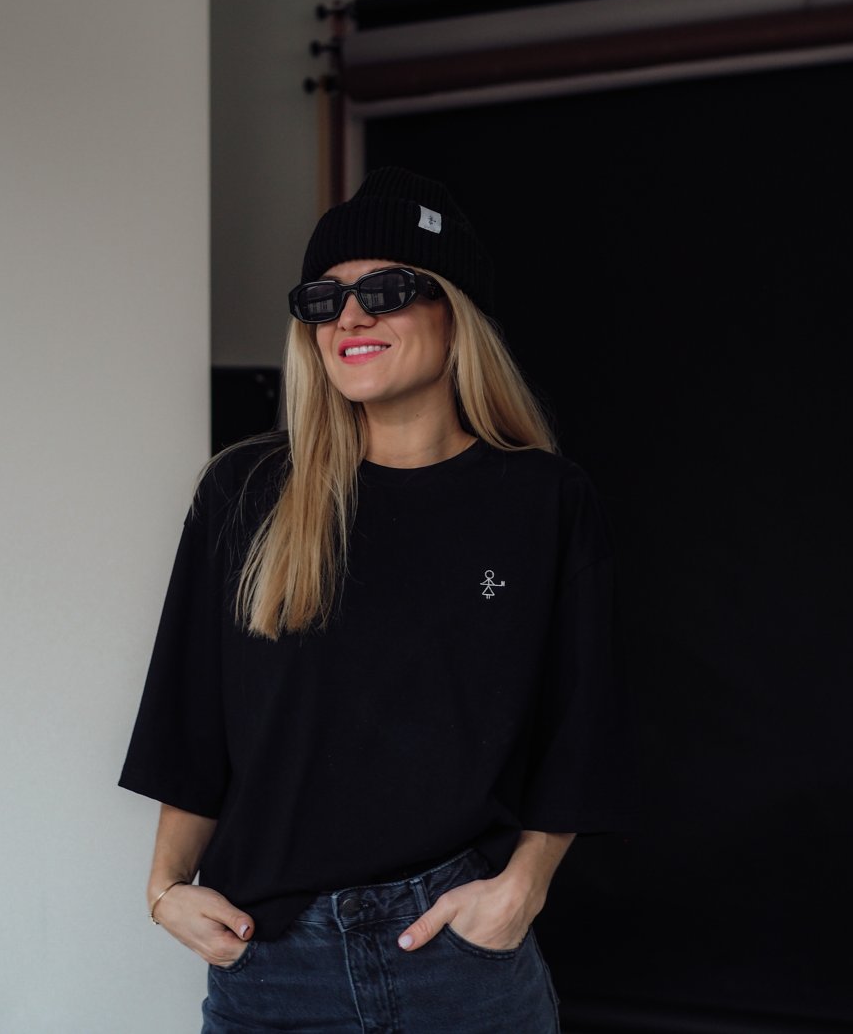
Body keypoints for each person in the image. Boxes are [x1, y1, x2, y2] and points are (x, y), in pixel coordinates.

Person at [120, 166, 631, 1033]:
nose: (350, 317)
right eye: (323, 299)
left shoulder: (542, 501)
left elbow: (580, 727)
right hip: (271, 964)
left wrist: (523, 885)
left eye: (386, 290)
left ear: (456, 311)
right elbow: (190, 717)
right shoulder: (245, 493)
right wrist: (165, 887)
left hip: (461, 965)